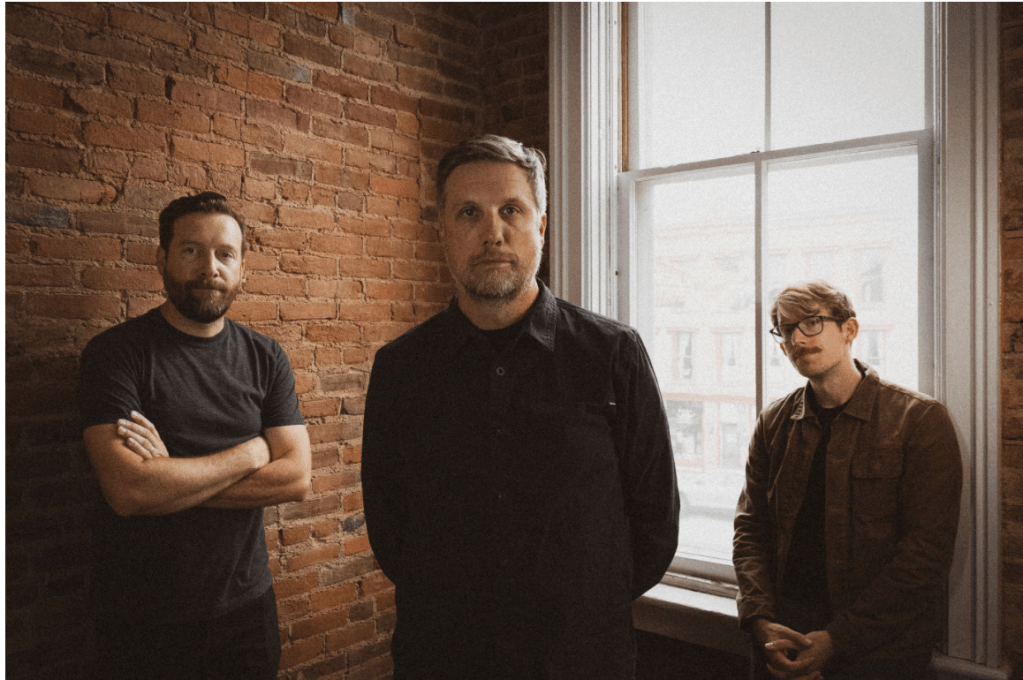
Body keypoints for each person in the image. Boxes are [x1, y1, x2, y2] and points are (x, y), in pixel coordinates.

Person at [361, 134, 680, 679]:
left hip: (580, 662)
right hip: (444, 660)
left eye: (511, 209)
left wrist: (580, 606)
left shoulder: (613, 354)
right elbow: (390, 529)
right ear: (442, 232)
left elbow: (656, 524)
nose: (493, 233)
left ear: (542, 226)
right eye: (469, 213)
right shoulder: (401, 369)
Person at [78, 192, 312, 680]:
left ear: (242, 268)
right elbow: (129, 490)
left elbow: (295, 478)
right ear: (161, 259)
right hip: (143, 621)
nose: (210, 268)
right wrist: (252, 452)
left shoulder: (266, 357)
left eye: (225, 254)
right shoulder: (115, 355)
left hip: (247, 612)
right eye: (191, 251)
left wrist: (170, 478)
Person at [733, 281, 962, 680]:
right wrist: (759, 619)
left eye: (812, 323)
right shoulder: (773, 423)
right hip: (781, 635)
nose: (797, 339)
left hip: (880, 652)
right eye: (786, 330)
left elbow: (925, 555)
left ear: (849, 329)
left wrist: (837, 639)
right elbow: (751, 529)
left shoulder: (919, 420)